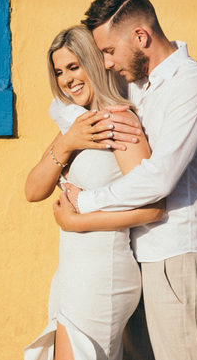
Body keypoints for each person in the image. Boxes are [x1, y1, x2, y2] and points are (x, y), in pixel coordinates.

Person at [53, 0, 197, 360]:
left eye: (110, 52)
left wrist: (85, 204)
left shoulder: (192, 85)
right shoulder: (137, 85)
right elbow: (71, 94)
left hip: (179, 252)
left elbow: (159, 177)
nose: (108, 64)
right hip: (137, 257)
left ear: (141, 37)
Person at [24, 25, 165, 360]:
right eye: (59, 72)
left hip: (102, 271)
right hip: (71, 271)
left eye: (74, 67)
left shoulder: (119, 120)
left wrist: (77, 222)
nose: (67, 79)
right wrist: (68, 141)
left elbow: (153, 207)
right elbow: (32, 190)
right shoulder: (78, 125)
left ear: (94, 62)